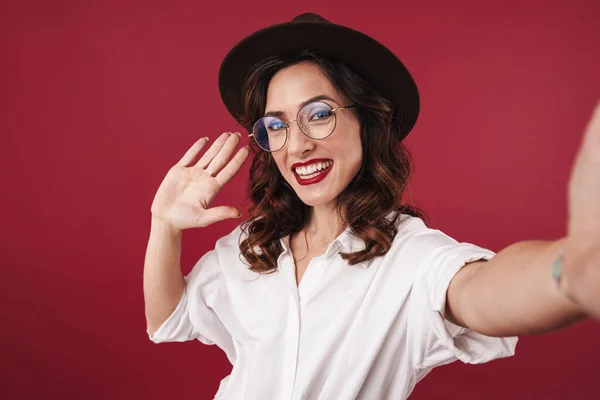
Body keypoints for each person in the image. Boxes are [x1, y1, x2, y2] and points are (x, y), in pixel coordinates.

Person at [143, 13, 600, 399]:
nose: (296, 145)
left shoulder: (406, 255)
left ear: (366, 120)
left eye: (318, 114)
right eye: (276, 125)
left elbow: (481, 289)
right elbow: (168, 319)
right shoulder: (252, 244)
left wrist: (569, 272)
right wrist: (163, 226)